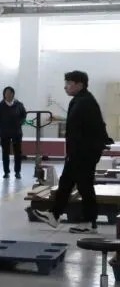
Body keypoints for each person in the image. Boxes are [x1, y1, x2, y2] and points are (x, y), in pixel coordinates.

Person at [34, 71, 113, 233]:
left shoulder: (85, 102)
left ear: (80, 85)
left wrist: (91, 147)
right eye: (66, 83)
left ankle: (89, 223)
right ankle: (54, 215)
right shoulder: (79, 100)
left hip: (84, 152)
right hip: (78, 151)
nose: (66, 87)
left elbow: (94, 127)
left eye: (69, 83)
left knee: (84, 185)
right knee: (66, 182)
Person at [0, 86, 27, 179]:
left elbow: (24, 115)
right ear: (4, 94)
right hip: (4, 133)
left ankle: (17, 172)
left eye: (9, 93)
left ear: (13, 94)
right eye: (6, 93)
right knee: (5, 153)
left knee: (18, 153)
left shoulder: (19, 105)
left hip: (17, 132)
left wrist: (20, 123)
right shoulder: (0, 106)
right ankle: (6, 172)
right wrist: (2, 127)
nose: (7, 95)